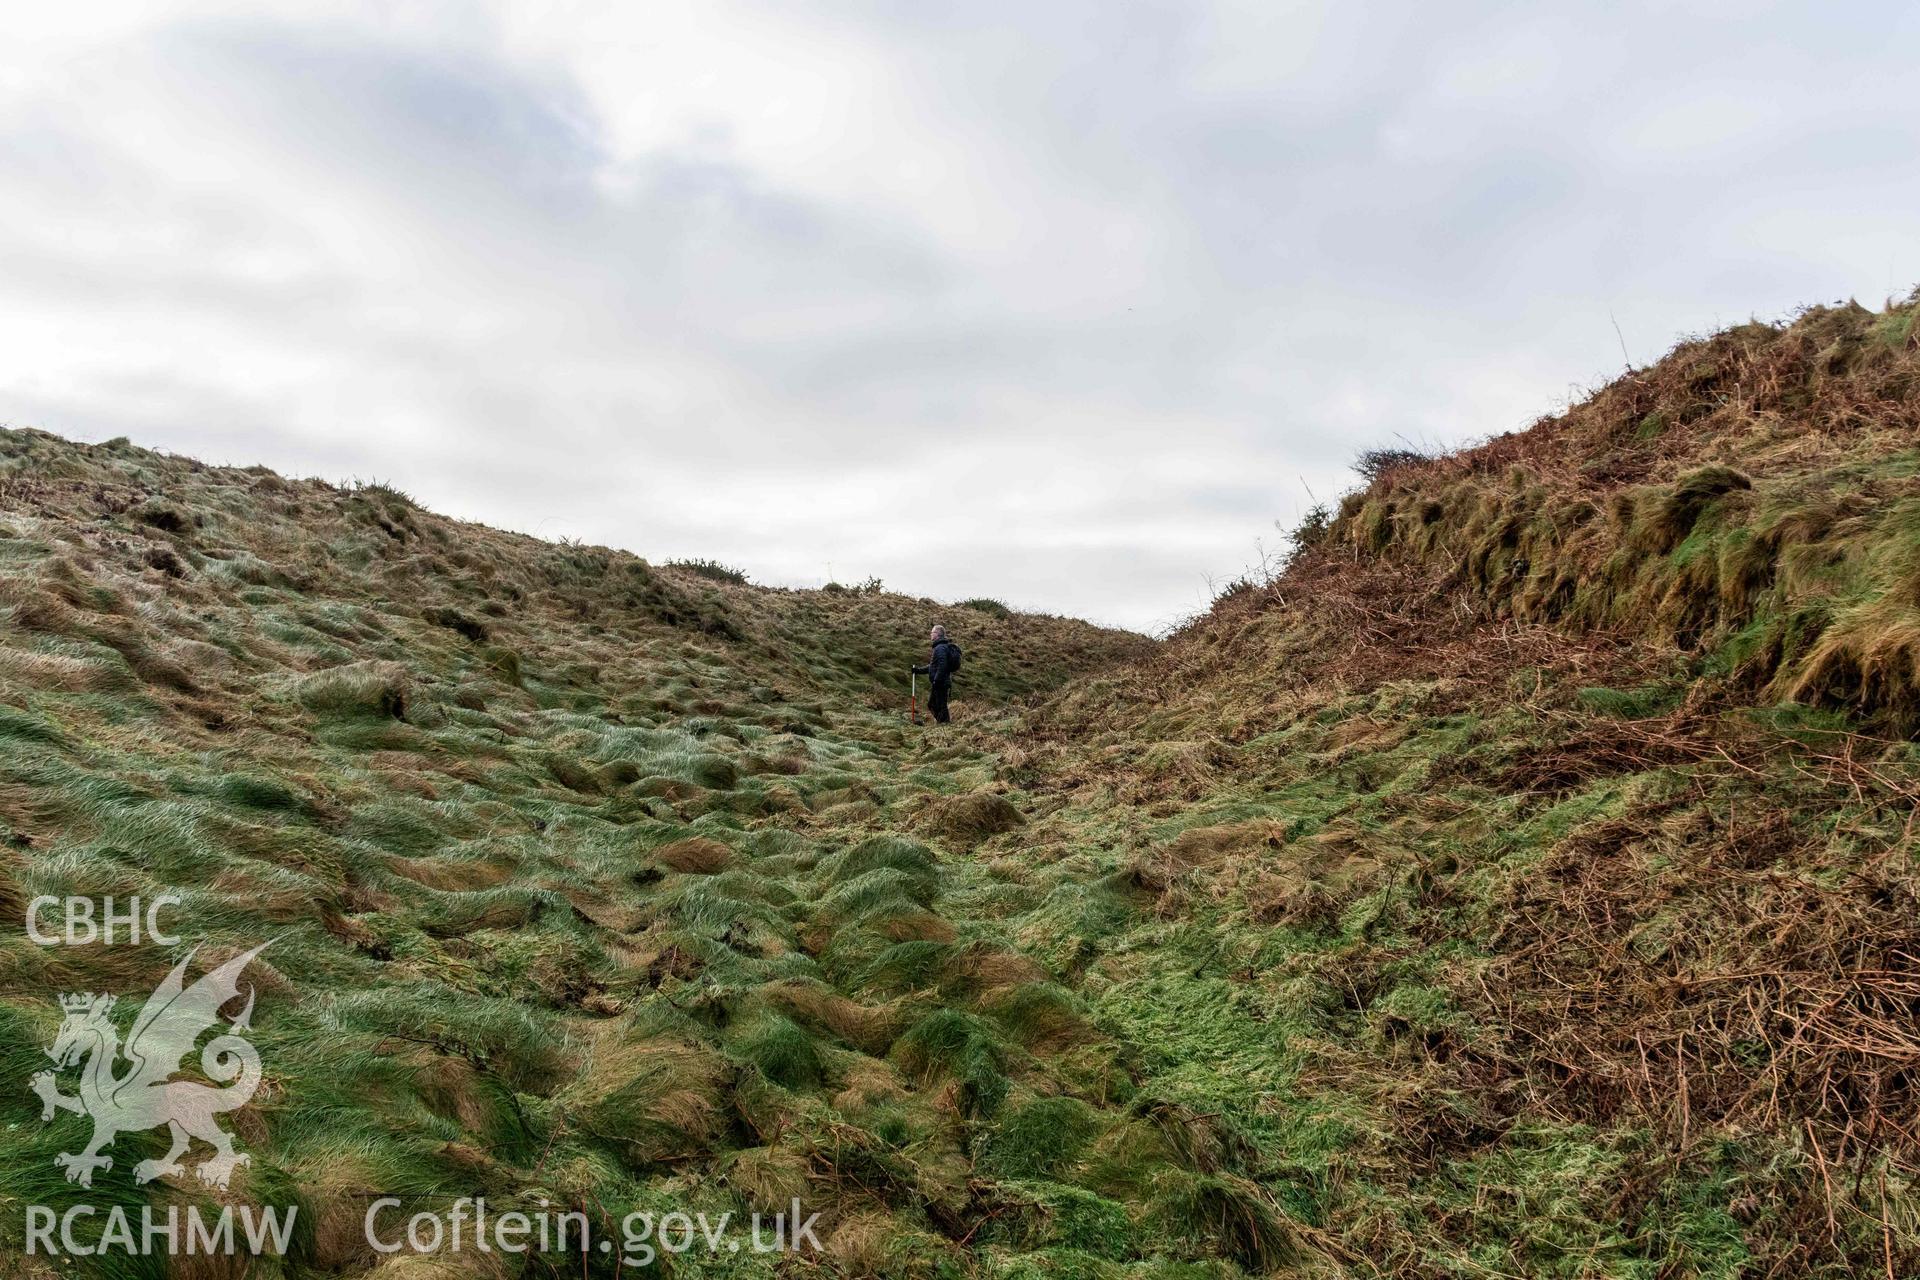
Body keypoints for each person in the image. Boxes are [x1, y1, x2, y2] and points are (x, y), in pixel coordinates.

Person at [912, 624, 959, 724]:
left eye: (932, 632)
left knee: (939, 705)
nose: (930, 634)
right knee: (933, 704)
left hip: (940, 682)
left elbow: (942, 666)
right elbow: (933, 666)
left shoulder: (940, 648)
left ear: (937, 634)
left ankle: (945, 724)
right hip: (940, 682)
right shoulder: (939, 647)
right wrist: (918, 671)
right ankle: (942, 723)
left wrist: (936, 680)